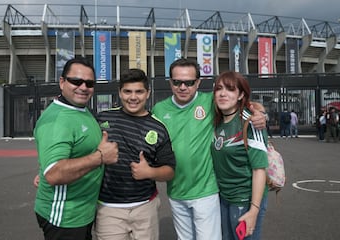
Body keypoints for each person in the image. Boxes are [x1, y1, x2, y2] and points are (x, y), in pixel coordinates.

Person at [151, 58, 266, 240]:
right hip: (175, 191)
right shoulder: (159, 109)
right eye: (177, 82)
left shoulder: (210, 102)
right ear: (170, 81)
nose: (183, 87)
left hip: (206, 191)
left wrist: (259, 112)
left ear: (198, 82)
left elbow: (239, 103)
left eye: (189, 82)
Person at [33, 57, 118, 240]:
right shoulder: (57, 120)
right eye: (76, 81)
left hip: (81, 213)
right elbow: (55, 174)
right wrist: (101, 157)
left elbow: (60, 157)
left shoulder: (79, 109)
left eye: (89, 83)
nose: (83, 87)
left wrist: (44, 168)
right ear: (62, 82)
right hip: (64, 217)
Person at [94, 68, 176, 240]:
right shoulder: (102, 119)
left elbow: (169, 170)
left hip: (145, 208)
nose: (133, 97)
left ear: (148, 93)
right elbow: (78, 151)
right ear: (120, 93)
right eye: (127, 91)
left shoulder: (158, 127)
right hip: (109, 209)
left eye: (139, 91)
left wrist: (149, 172)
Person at [210, 71, 268, 240]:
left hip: (245, 199)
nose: (222, 93)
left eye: (230, 89)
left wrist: (254, 210)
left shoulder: (250, 122)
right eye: (219, 88)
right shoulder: (217, 120)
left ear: (241, 94)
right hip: (223, 197)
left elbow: (259, 170)